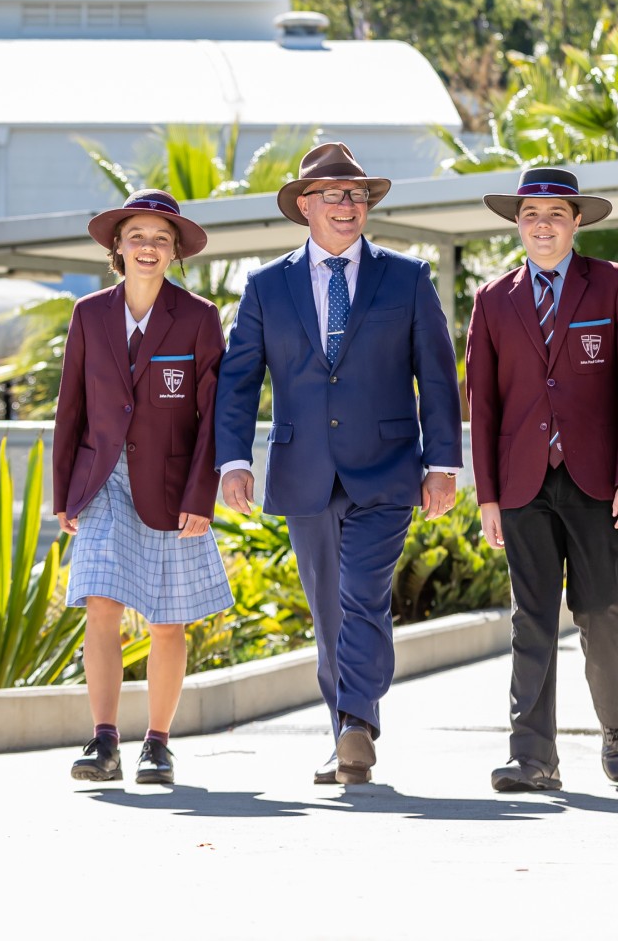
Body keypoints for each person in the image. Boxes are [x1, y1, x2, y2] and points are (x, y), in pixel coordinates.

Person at [216, 142, 463, 786]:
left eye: (357, 195)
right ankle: (344, 731)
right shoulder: (266, 286)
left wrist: (443, 463)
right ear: (305, 206)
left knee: (363, 594)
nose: (347, 205)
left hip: (386, 468)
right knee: (329, 609)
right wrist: (233, 461)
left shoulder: (406, 278)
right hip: (303, 469)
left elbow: (437, 376)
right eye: (333, 195)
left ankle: (356, 723)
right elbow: (239, 380)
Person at [465, 166, 618, 793]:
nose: (541, 226)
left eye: (555, 215)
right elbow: (484, 407)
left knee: (602, 614)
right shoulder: (493, 300)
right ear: (517, 225)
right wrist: (488, 495)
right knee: (532, 619)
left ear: (577, 222)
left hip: (599, 483)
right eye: (530, 215)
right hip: (522, 484)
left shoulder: (615, 286)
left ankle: (616, 724)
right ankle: (533, 757)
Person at [55, 188, 232, 786]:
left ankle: (157, 745)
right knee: (100, 604)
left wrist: (201, 496)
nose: (148, 248)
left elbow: (214, 415)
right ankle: (103, 741)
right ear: (118, 246)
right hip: (102, 480)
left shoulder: (200, 317)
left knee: (166, 619)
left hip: (172, 485)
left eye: (161, 239)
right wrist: (65, 494)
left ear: (175, 250)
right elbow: (70, 408)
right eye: (137, 237)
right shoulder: (89, 314)